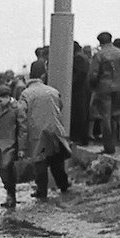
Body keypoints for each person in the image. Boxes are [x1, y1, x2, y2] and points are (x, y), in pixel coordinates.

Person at [17, 72, 72, 201]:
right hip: (54, 130)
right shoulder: (53, 91)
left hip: (37, 132)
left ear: (28, 82)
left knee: (39, 160)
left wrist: (22, 141)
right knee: (56, 159)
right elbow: (60, 106)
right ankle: (63, 186)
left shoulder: (26, 94)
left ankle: (42, 191)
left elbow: (22, 115)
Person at [90, 31, 120, 155]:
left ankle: (108, 147)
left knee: (105, 117)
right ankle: (115, 141)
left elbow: (93, 75)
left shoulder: (99, 55)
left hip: (104, 87)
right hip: (119, 87)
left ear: (100, 42)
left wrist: (94, 87)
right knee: (115, 116)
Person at [0, 84, 23, 208]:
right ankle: (9, 194)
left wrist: (22, 148)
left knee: (7, 169)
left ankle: (11, 196)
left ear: (7, 97)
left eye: (0, 100)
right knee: (2, 171)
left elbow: (23, 129)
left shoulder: (17, 108)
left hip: (11, 144)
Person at [70, 41, 92, 145]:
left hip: (79, 89)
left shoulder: (78, 58)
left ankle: (80, 138)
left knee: (79, 114)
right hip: (84, 88)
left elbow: (80, 74)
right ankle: (82, 138)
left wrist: (70, 84)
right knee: (83, 113)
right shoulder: (83, 57)